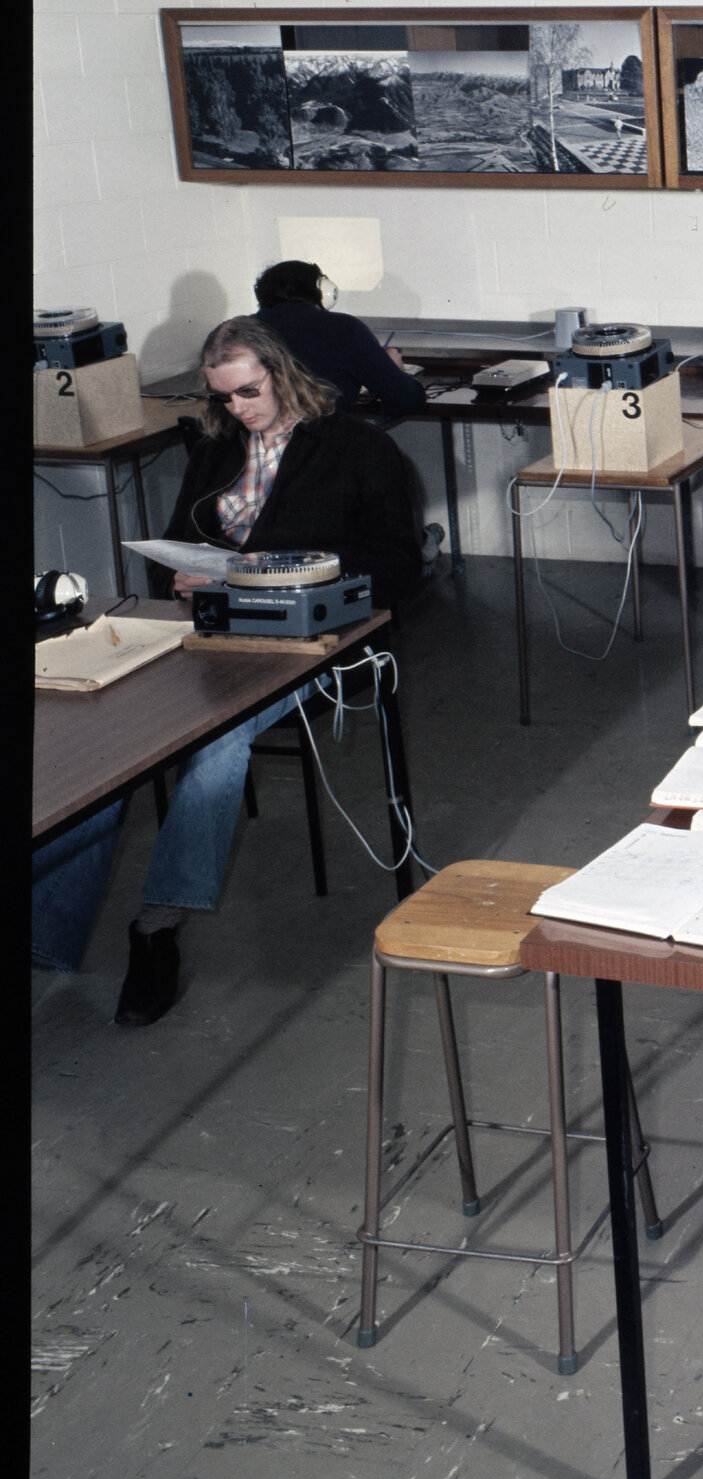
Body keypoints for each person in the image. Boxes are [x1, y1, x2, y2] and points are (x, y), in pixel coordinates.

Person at [30, 317, 421, 1025]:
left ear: (281, 372)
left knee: (217, 743)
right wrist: (186, 572)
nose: (236, 409)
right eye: (223, 398)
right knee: (110, 732)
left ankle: (157, 927)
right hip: (212, 626)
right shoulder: (218, 447)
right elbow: (184, 541)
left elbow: (398, 566)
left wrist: (279, 575)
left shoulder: (357, 447)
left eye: (248, 392)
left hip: (310, 635)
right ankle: (43, 937)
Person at [253, 258, 428, 415]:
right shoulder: (345, 328)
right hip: (322, 445)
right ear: (325, 291)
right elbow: (409, 401)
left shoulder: (237, 330)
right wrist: (395, 368)